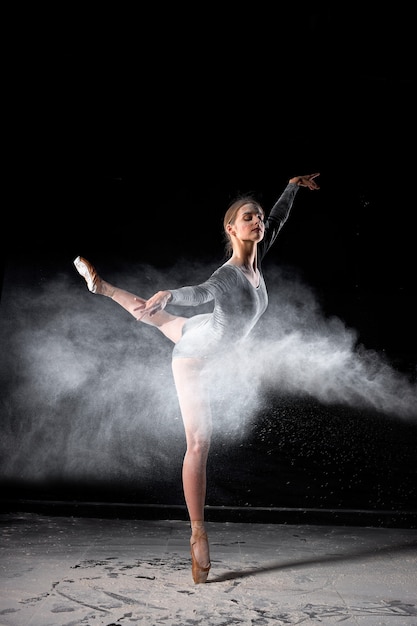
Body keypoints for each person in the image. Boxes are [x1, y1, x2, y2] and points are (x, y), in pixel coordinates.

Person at [73, 172, 320, 583]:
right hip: (195, 355)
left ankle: (102, 288)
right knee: (199, 443)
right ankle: (198, 532)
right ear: (231, 228)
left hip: (207, 330)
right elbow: (200, 292)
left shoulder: (262, 247)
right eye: (248, 218)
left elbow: (280, 215)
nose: (257, 222)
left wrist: (293, 185)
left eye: (258, 218)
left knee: (160, 320)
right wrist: (170, 293)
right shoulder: (228, 276)